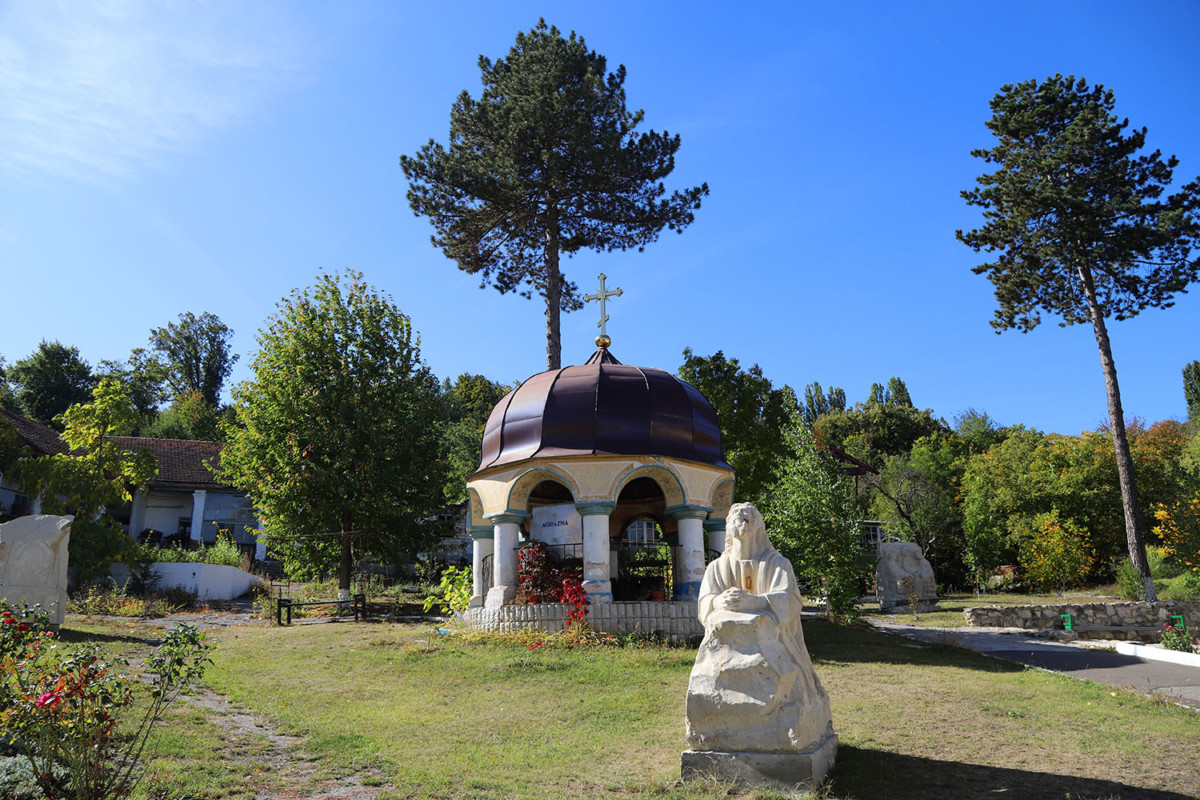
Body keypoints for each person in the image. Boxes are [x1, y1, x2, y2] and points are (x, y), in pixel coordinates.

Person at [685, 503, 833, 753]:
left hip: (774, 647)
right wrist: (719, 601)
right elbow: (704, 605)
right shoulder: (717, 568)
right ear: (728, 527)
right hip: (725, 652)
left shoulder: (778, 564)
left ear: (758, 525)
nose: (741, 521)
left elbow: (791, 601)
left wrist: (759, 602)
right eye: (735, 517)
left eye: (747, 517)